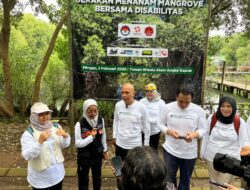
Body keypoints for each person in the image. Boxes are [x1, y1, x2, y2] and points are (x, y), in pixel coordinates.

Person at [159, 86, 207, 190]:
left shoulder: (198, 110)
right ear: (176, 97)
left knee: (185, 180)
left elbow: (203, 129)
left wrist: (194, 135)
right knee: (169, 179)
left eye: (187, 102)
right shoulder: (167, 108)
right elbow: (160, 123)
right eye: (181, 101)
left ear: (191, 99)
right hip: (170, 150)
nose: (184, 104)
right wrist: (168, 131)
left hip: (189, 152)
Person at [21, 102, 70, 190]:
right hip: (40, 180)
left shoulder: (56, 126)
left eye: (47, 113)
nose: (45, 117)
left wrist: (65, 136)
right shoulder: (29, 133)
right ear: (34, 116)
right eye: (41, 114)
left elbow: (65, 145)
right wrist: (39, 142)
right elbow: (26, 155)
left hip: (57, 175)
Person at [201, 96, 246, 190]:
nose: (225, 109)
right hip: (211, 157)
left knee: (224, 186)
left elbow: (242, 143)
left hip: (229, 160)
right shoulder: (212, 118)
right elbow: (205, 136)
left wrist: (240, 160)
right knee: (213, 182)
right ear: (219, 107)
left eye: (229, 106)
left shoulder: (239, 122)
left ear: (233, 107)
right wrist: (202, 153)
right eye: (223, 106)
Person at [75, 99, 108, 190]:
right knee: (83, 180)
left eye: (95, 111)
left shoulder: (101, 120)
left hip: (97, 154)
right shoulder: (79, 124)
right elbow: (77, 143)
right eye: (90, 111)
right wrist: (90, 137)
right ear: (85, 111)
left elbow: (103, 136)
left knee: (97, 178)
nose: (93, 113)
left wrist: (105, 151)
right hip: (84, 156)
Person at [113, 83, 150, 161]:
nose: (124, 95)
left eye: (127, 92)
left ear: (133, 93)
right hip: (120, 144)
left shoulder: (141, 107)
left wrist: (146, 144)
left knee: (135, 170)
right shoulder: (118, 105)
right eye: (122, 92)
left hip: (135, 146)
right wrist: (114, 136)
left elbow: (147, 126)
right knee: (119, 169)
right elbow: (115, 121)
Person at [140, 83, 165, 150]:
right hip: (143, 131)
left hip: (155, 132)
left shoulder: (161, 103)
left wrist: (152, 121)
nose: (149, 93)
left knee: (153, 152)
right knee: (142, 151)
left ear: (155, 91)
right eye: (147, 91)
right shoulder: (142, 101)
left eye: (151, 91)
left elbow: (163, 118)